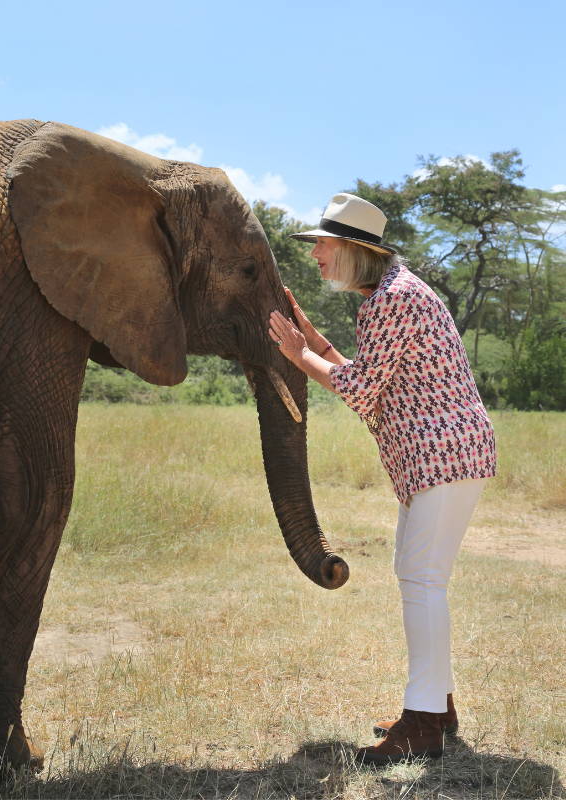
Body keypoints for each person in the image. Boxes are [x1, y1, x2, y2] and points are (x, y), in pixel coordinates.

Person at [268, 193, 496, 765]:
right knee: (421, 578)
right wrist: (313, 343)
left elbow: (359, 390)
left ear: (352, 250)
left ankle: (422, 724)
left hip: (441, 456)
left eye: (323, 243)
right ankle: (435, 709)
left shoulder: (390, 301)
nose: (316, 253)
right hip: (443, 456)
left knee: (421, 581)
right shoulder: (395, 295)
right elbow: (367, 375)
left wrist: (299, 356)